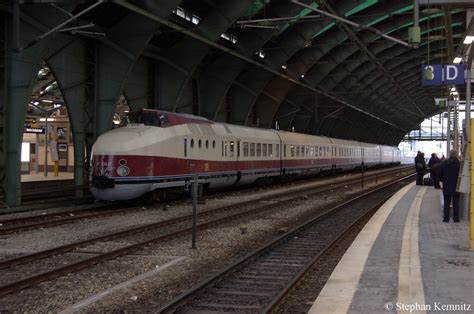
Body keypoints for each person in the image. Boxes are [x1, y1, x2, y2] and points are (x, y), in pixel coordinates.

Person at [440, 150, 461, 222]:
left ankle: (446, 218)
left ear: (450, 155)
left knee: (446, 202)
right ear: (456, 155)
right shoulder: (459, 164)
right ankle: (456, 218)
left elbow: (440, 174)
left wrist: (444, 181)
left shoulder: (444, 163)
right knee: (456, 203)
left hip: (446, 185)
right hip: (456, 185)